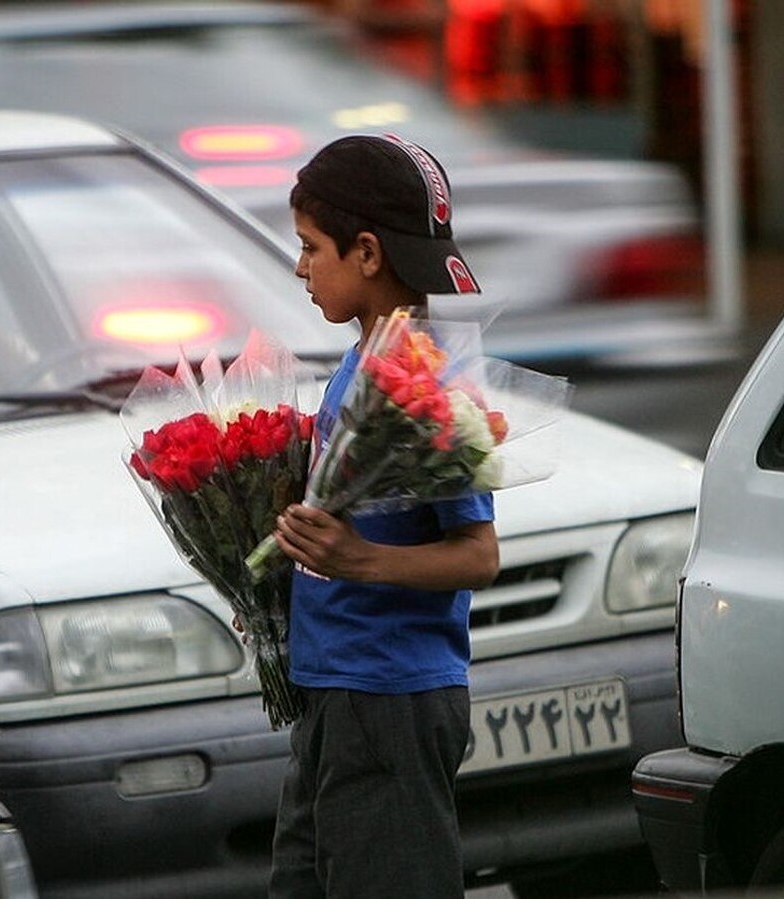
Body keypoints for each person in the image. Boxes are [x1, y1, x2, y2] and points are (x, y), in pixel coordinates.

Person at [265, 134, 499, 899]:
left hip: (388, 699)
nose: (300, 267)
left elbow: (477, 553)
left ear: (366, 252)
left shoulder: (426, 372)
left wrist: (357, 560)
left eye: (309, 247)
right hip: (337, 688)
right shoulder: (366, 354)